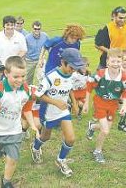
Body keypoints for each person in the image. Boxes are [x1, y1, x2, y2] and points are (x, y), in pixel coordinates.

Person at [0, 56, 39, 188]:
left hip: (15, 131)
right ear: (6, 73)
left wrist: (33, 126)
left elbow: (26, 109)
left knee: (13, 159)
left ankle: (6, 182)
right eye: (16, 77)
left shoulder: (26, 90)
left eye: (23, 76)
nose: (20, 80)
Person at [30, 48, 85, 177]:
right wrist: (55, 102)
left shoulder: (72, 75)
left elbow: (70, 89)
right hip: (49, 113)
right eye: (71, 67)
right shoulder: (50, 77)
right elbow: (37, 96)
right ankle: (35, 147)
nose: (74, 70)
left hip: (63, 111)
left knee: (71, 139)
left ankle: (61, 160)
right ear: (63, 62)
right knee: (45, 137)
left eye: (76, 67)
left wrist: (75, 104)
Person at [83, 48, 126, 163]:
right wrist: (86, 103)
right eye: (113, 61)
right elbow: (89, 87)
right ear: (107, 62)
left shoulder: (124, 77)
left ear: (122, 62)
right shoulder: (100, 74)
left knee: (105, 128)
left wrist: (124, 105)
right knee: (105, 131)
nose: (116, 64)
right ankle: (97, 151)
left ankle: (92, 127)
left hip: (112, 105)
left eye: (118, 62)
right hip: (100, 102)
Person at [25, 21, 49, 85]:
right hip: (30, 60)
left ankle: (40, 92)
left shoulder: (45, 36)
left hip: (41, 60)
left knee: (41, 77)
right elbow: (24, 49)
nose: (37, 31)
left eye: (38, 29)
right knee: (28, 78)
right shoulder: (27, 37)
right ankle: (28, 92)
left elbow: (48, 46)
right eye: (35, 29)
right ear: (32, 29)